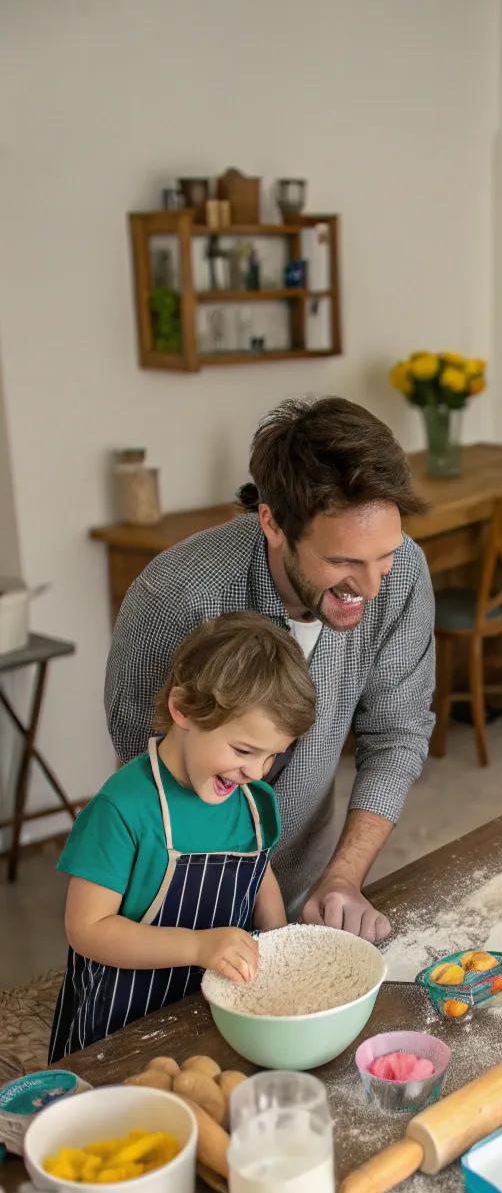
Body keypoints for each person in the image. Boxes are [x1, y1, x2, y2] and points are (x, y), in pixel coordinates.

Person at [105, 396, 435, 942]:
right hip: (180, 903)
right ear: (272, 522)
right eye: (343, 562)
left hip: (305, 880)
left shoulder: (401, 574)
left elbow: (397, 733)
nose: (372, 587)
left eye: (385, 556)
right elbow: (147, 772)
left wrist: (344, 877)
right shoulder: (176, 598)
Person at [50, 614, 316, 1060]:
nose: (257, 772)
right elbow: (87, 928)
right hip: (122, 1028)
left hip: (219, 1014)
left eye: (273, 756)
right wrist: (198, 946)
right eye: (244, 751)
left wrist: (280, 950)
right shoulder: (123, 809)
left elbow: (258, 874)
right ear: (184, 709)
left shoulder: (252, 801)